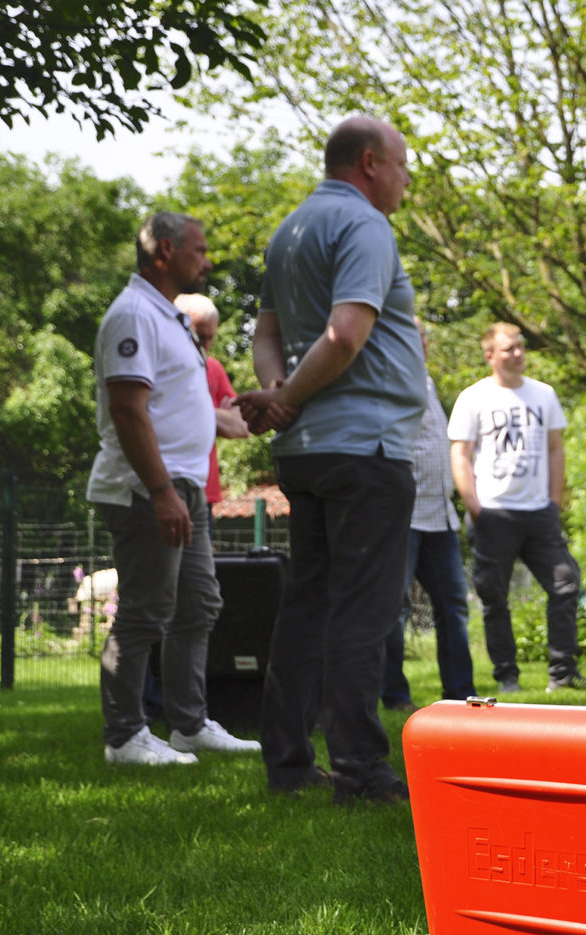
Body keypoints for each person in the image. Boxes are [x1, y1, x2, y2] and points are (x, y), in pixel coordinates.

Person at [234, 117, 426, 803]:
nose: (407, 179)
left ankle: (287, 764)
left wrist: (282, 396)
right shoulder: (367, 227)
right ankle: (361, 772)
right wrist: (289, 398)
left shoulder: (289, 230)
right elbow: (346, 337)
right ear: (370, 163)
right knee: (361, 613)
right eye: (403, 165)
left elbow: (268, 331)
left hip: (307, 454)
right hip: (365, 447)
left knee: (307, 606)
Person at [87, 212, 260, 765]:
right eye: (200, 250)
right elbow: (127, 410)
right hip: (146, 490)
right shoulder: (133, 315)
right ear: (165, 250)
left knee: (198, 605)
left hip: (184, 486)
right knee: (146, 609)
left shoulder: (171, 318)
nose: (207, 260)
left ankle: (188, 725)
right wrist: (161, 490)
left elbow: (185, 409)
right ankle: (124, 737)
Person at [446, 322, 586, 695]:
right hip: (493, 511)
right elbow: (460, 453)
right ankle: (507, 678)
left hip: (539, 513)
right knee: (494, 597)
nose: (518, 353)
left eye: (521, 347)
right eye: (509, 349)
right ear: (490, 356)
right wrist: (474, 505)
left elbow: (555, 448)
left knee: (565, 582)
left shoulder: (544, 395)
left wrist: (554, 502)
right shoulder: (474, 398)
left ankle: (562, 674)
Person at [380, 318, 476, 710]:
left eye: (422, 336)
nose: (421, 342)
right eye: (412, 334)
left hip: (440, 516)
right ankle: (394, 695)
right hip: (404, 514)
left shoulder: (427, 380)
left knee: (453, 604)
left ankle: (461, 693)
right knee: (392, 607)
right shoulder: (387, 379)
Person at [173, 293, 250, 541]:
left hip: (204, 494)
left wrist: (196, 408)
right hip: (168, 488)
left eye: (211, 338)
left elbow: (240, 426)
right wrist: (217, 414)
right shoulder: (164, 368)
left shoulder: (214, 368)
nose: (205, 346)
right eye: (199, 336)